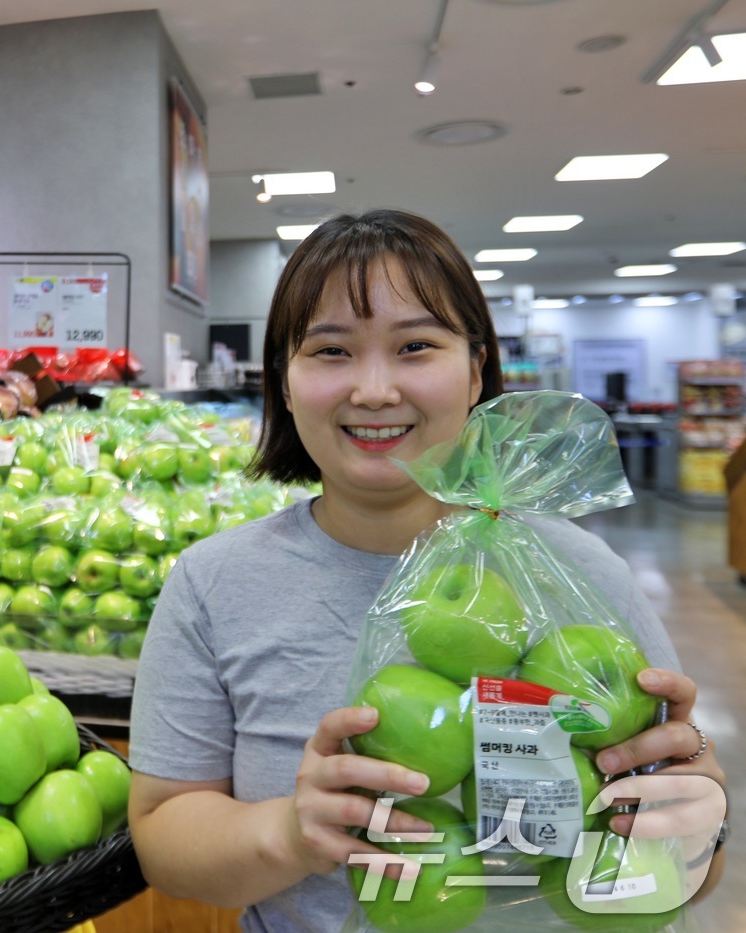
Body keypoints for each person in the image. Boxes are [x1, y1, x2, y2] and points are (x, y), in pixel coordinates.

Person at [127, 209, 728, 931]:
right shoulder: (214, 583)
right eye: (330, 351)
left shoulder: (575, 568)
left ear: (476, 370)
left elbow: (692, 873)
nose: (374, 389)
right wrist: (288, 833)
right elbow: (163, 834)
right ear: (282, 382)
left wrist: (693, 819)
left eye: (416, 345)